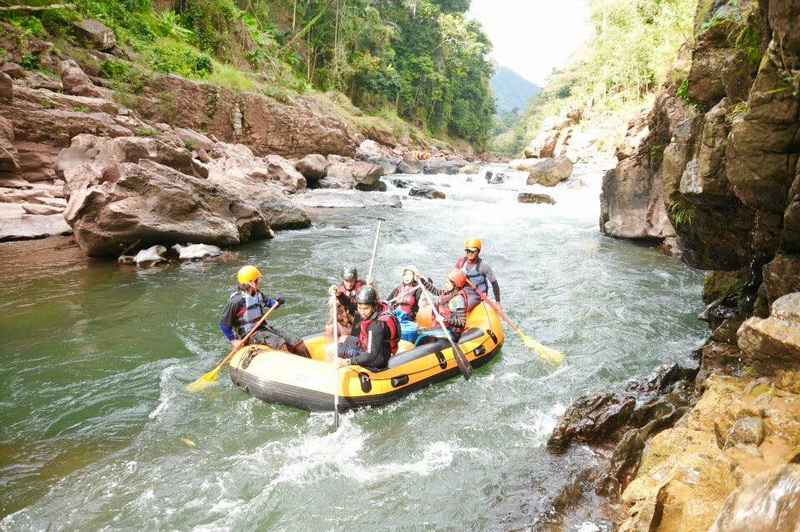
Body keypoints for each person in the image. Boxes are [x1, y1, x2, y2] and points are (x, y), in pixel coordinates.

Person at [219, 265, 310, 357]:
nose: (259, 282)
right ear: (252, 282)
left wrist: (278, 302)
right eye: (257, 280)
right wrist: (234, 341)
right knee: (281, 345)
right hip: (249, 335)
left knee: (297, 342)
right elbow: (223, 323)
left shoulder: (258, 295)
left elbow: (271, 304)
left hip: (264, 329)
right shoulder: (236, 302)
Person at [331, 285, 400, 370]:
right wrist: (339, 294)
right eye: (360, 308)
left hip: (377, 360)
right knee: (342, 339)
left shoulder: (376, 326)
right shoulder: (374, 308)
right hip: (367, 344)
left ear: (374, 307)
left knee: (333, 350)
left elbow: (371, 356)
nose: (362, 312)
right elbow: (350, 304)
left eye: (365, 309)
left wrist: (346, 362)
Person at [416, 268, 469, 343]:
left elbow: (462, 322)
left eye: (447, 283)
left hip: (452, 332)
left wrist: (445, 319)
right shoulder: (448, 292)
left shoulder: (458, 299)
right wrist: (423, 281)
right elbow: (435, 291)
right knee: (419, 332)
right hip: (443, 327)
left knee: (421, 335)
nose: (445, 285)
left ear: (455, 285)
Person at [326, 265, 373, 341]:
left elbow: (354, 305)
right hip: (347, 321)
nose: (349, 284)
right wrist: (335, 297)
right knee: (330, 327)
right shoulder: (340, 289)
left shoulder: (363, 288)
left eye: (352, 281)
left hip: (359, 320)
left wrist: (371, 285)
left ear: (355, 279)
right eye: (347, 281)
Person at [455, 237, 501, 311]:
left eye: (473, 251)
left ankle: (459, 319)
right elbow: (453, 278)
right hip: (463, 291)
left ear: (478, 251)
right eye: (468, 251)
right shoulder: (461, 262)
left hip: (477, 294)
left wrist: (498, 302)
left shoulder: (484, 265)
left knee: (463, 306)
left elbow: (494, 283)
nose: (470, 253)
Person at [388, 265, 423, 341]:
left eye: (409, 274)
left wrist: (423, 294)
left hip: (407, 320)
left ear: (414, 277)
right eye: (405, 274)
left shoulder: (418, 289)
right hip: (395, 317)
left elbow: (421, 304)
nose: (406, 277)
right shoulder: (399, 288)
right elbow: (387, 301)